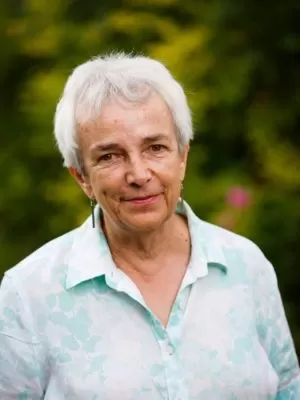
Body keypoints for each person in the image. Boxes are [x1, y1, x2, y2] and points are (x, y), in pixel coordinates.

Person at [0, 53, 299, 400]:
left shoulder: (248, 266)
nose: (139, 175)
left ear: (182, 157)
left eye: (155, 147)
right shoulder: (28, 294)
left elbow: (288, 391)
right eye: (110, 156)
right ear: (81, 176)